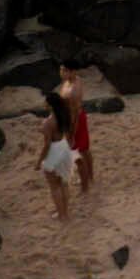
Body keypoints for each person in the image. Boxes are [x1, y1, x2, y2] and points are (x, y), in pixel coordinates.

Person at [40, 64, 92, 215]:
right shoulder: (70, 82)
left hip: (75, 123)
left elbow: (74, 114)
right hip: (72, 121)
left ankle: (85, 186)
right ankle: (89, 179)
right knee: (83, 152)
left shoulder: (73, 90)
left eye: (63, 70)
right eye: (60, 70)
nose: (61, 73)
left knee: (78, 155)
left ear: (71, 71)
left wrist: (71, 135)